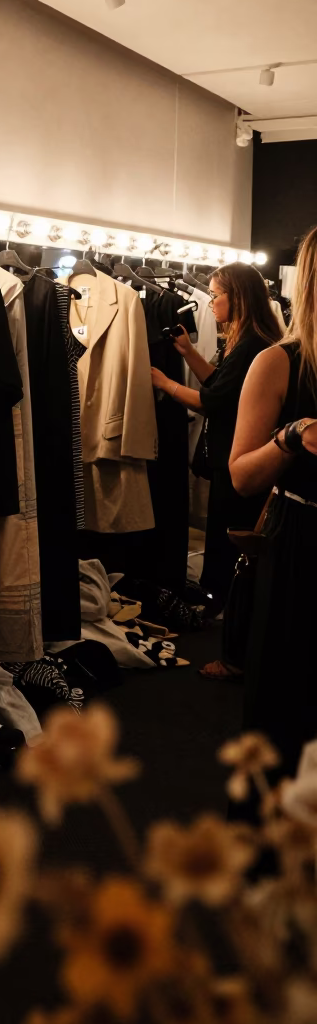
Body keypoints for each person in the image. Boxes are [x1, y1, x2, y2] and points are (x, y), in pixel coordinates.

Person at [150, 263, 283, 644]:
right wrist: (189, 352)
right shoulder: (246, 339)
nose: (209, 303)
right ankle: (223, 609)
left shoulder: (252, 344)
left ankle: (224, 618)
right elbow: (221, 384)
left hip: (239, 456)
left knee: (229, 535)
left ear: (236, 297)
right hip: (237, 452)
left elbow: (213, 401)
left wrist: (166, 382)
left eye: (215, 295)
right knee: (224, 531)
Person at [229, 229, 317, 774]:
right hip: (302, 550)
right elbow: (241, 475)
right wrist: (291, 437)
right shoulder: (280, 362)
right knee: (293, 708)